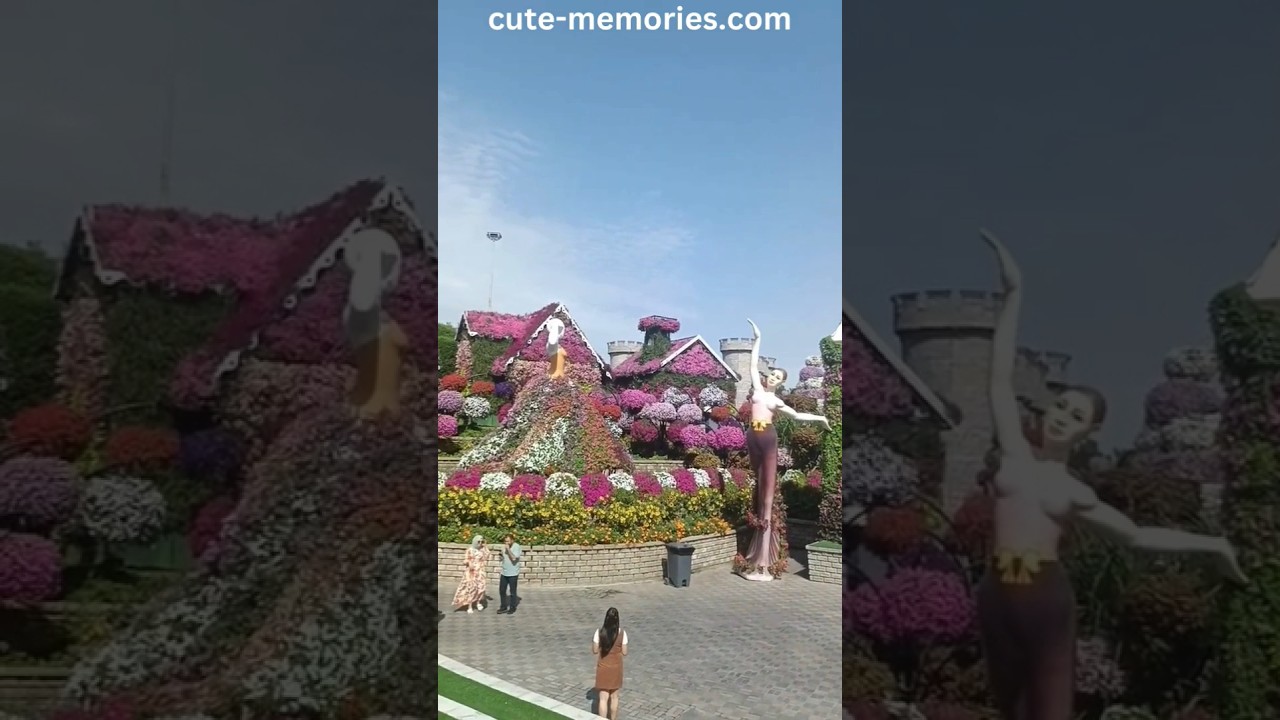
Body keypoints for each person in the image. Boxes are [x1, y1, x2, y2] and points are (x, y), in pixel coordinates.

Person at [976, 229, 1247, 720]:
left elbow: (1136, 536)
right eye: (1061, 407)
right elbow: (998, 380)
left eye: (1077, 416)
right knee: (1007, 703)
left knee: (1050, 700)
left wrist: (1213, 546)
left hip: (1044, 595)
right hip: (997, 590)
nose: (1063, 418)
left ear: (1090, 431)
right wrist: (1014, 293)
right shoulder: (1015, 455)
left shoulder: (1073, 490)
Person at [735, 319, 831, 581]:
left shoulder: (775, 400)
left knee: (767, 493)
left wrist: (820, 419)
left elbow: (797, 416)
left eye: (778, 378)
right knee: (757, 487)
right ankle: (756, 556)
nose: (773, 378)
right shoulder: (757, 389)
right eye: (772, 375)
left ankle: (764, 563)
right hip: (752, 436)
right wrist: (757, 338)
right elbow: (752, 365)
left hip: (767, 437)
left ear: (780, 383)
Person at [591, 607, 627, 719]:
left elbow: (595, 650)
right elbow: (625, 652)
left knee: (603, 698)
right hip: (616, 668)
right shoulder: (622, 633)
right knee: (614, 697)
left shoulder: (599, 632)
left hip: (603, 668)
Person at [452, 535, 489, 613]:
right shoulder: (470, 549)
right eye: (478, 541)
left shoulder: (482, 549)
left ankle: (478, 602)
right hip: (471, 572)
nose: (480, 543)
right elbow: (465, 560)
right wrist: (469, 563)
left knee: (481, 587)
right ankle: (470, 606)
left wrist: (485, 546)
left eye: (481, 541)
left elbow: (487, 556)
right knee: (471, 588)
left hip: (480, 571)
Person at [497, 533, 522, 614]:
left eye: (508, 541)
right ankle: (503, 607)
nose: (506, 543)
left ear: (512, 540)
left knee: (512, 592)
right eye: (505, 541)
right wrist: (501, 557)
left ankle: (512, 607)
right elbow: (502, 558)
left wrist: (508, 550)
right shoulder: (503, 547)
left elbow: (514, 558)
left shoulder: (517, 547)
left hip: (513, 573)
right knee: (502, 590)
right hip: (504, 572)